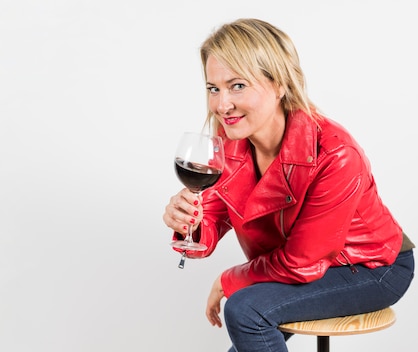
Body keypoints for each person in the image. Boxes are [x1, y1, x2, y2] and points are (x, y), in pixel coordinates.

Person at [162, 18, 415, 352]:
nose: (222, 105)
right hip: (297, 263)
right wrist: (189, 223)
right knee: (250, 315)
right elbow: (212, 218)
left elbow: (300, 262)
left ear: (279, 84)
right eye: (214, 88)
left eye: (237, 86)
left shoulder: (336, 153)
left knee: (246, 310)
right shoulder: (229, 142)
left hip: (370, 267)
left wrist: (229, 280)